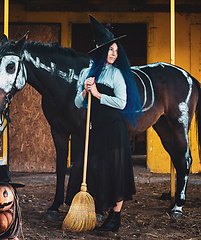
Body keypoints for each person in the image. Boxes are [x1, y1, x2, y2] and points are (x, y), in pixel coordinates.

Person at [65, 15, 141, 232]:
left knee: (116, 172)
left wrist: (97, 94)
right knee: (86, 169)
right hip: (95, 130)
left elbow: (122, 102)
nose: (114, 54)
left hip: (114, 130)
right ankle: (87, 210)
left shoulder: (118, 75)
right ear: (101, 50)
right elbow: (79, 103)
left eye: (117, 50)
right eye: (110, 50)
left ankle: (115, 218)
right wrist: (85, 90)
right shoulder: (90, 72)